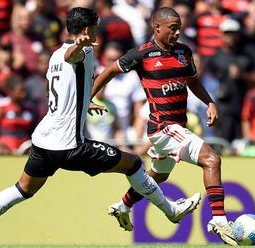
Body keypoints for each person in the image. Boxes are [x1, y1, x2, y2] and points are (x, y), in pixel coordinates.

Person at [0, 7, 200, 247]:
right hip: (69, 146)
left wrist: (82, 102)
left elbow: (57, 85)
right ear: (86, 31)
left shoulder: (53, 55)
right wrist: (79, 47)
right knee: (133, 164)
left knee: (23, 189)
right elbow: (72, 56)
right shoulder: (82, 50)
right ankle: (170, 210)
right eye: (96, 27)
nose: (100, 32)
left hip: (43, 141)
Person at [91, 7, 238, 245]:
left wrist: (209, 102)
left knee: (158, 176)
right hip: (163, 127)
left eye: (179, 27)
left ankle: (122, 206)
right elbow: (109, 70)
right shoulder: (141, 55)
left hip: (175, 126)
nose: (178, 32)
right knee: (212, 159)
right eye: (173, 28)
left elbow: (193, 81)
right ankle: (219, 220)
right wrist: (91, 96)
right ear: (156, 27)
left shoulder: (183, 52)